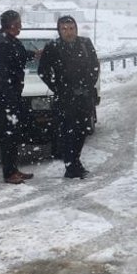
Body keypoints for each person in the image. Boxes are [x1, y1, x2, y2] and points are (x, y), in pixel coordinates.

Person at [39, 15, 99, 179]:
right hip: (65, 99)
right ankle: (71, 166)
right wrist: (57, 87)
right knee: (67, 133)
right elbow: (43, 71)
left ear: (76, 29)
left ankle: (75, 161)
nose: (68, 32)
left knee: (81, 131)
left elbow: (95, 66)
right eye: (64, 29)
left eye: (71, 28)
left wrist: (88, 84)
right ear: (59, 30)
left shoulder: (85, 44)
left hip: (84, 97)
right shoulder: (53, 47)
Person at [0, 9, 39, 185]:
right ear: (11, 25)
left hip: (11, 97)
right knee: (8, 137)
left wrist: (34, 55)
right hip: (5, 100)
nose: (21, 26)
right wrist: (9, 99)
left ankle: (14, 169)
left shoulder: (9, 40)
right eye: (19, 23)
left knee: (13, 135)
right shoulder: (3, 44)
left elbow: (19, 56)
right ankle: (9, 173)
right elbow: (0, 75)